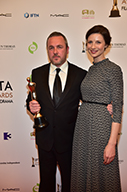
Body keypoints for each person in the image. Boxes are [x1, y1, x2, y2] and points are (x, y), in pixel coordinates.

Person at [26, 31, 87, 192]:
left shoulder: (81, 75)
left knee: (71, 184)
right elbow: (31, 100)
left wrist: (104, 106)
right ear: (47, 50)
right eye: (51, 47)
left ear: (67, 49)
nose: (55, 51)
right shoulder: (37, 73)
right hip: (45, 140)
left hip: (70, 141)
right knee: (46, 184)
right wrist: (31, 107)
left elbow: (88, 103)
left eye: (59, 47)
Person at [71, 25, 123, 192]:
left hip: (101, 128)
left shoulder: (114, 70)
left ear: (106, 45)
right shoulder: (91, 70)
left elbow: (117, 108)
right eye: (89, 42)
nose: (93, 46)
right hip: (84, 127)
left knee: (102, 175)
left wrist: (112, 143)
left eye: (98, 42)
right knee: (83, 172)